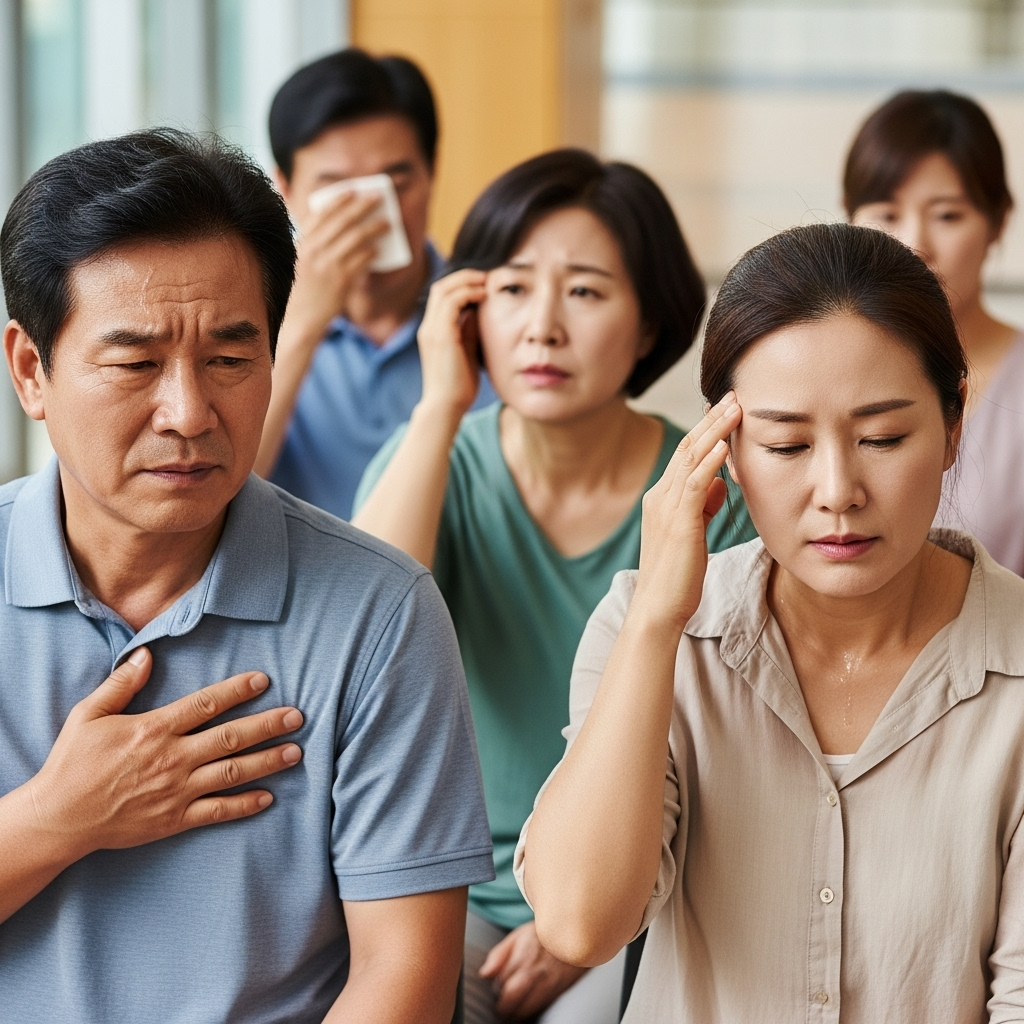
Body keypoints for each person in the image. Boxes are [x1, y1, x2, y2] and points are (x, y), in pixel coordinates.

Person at [0, 128, 493, 1024]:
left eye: (231, 358)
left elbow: (407, 981)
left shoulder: (380, 612)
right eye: (136, 363)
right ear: (32, 369)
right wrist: (54, 819)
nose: (189, 413)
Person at [516, 222, 1024, 1022]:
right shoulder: (650, 630)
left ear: (954, 424)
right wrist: (657, 619)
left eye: (883, 438)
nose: (838, 490)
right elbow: (580, 924)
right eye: (786, 446)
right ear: (726, 445)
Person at [352, 149, 757, 1023]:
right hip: (439, 885)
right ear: (467, 315)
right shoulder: (435, 464)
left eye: (583, 291)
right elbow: (360, 627)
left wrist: (573, 920)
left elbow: (735, 751)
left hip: (641, 888)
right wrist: (437, 406)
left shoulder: (708, 493)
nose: (542, 327)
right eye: (511, 290)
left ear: (649, 324)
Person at [255, 47, 496, 519]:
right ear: (284, 189)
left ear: (432, 173)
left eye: (396, 182)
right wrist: (301, 323)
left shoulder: (491, 313)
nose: (372, 215)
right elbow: (218, 492)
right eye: (339, 190)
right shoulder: (242, 323)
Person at [845, 89, 1024, 575]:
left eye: (947, 216)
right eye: (886, 214)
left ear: (998, 222)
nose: (914, 244)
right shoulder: (816, 370)